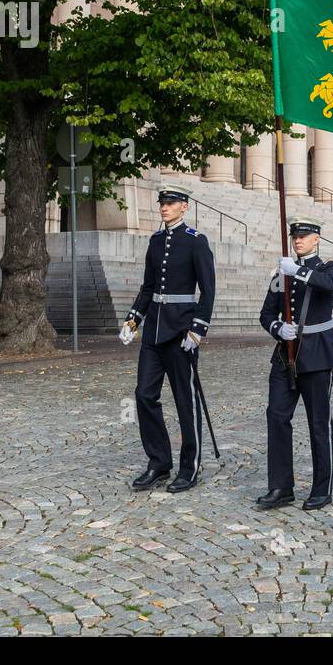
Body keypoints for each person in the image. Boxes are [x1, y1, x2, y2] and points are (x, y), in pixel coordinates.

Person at [121, 185, 216, 493]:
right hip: (155, 332)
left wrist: (198, 329)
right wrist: (134, 318)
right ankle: (159, 462)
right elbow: (148, 286)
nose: (165, 207)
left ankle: (191, 466)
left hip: (181, 331)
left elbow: (208, 290)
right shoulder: (156, 241)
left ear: (184, 207)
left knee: (185, 400)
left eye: (171, 203)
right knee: (144, 395)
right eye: (162, 202)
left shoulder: (196, 242)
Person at [256, 218, 333, 511]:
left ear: (316, 239)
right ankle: (281, 486)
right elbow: (266, 313)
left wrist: (298, 271)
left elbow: (330, 285)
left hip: (317, 356)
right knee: (276, 417)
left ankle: (322, 488)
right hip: (285, 356)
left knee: (318, 423)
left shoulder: (327, 268)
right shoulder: (281, 273)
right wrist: (277, 327)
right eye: (295, 236)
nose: (298, 240)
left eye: (304, 236)